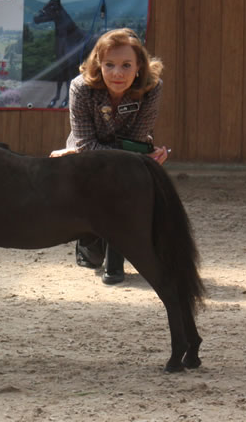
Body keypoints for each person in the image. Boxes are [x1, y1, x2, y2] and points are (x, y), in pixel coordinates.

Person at [50, 28, 169, 285]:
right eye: (110, 65)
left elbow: (137, 137)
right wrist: (139, 157)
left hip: (126, 156)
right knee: (91, 257)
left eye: (127, 65)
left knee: (127, 187)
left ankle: (116, 261)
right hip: (87, 160)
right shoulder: (80, 88)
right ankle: (91, 242)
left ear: (139, 66)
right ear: (98, 65)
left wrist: (148, 153)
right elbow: (85, 143)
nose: (118, 73)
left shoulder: (152, 88)